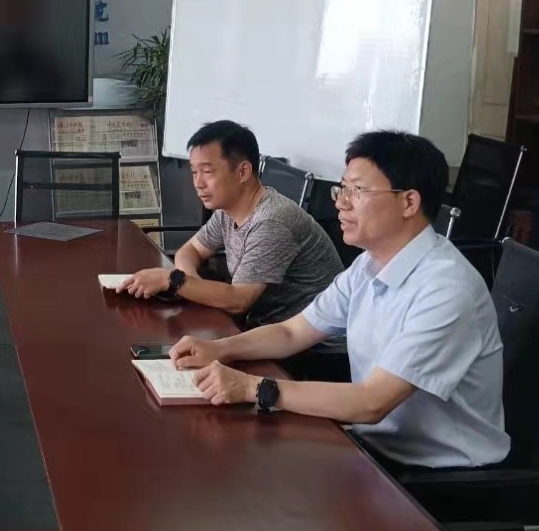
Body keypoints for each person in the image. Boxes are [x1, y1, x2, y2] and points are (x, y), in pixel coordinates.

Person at [176, 131, 509, 470]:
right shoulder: (368, 264)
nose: (341, 202)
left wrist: (253, 387)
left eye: (358, 191)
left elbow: (372, 402)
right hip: (373, 446)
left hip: (438, 473)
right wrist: (220, 349)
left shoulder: (446, 290)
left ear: (409, 202)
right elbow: (292, 332)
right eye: (342, 188)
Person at [119, 120, 342, 328]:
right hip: (267, 328)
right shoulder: (228, 210)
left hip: (311, 344)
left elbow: (239, 301)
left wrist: (174, 280)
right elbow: (191, 249)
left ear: (243, 171)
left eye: (207, 172)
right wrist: (188, 282)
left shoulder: (272, 222)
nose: (198, 183)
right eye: (194, 172)